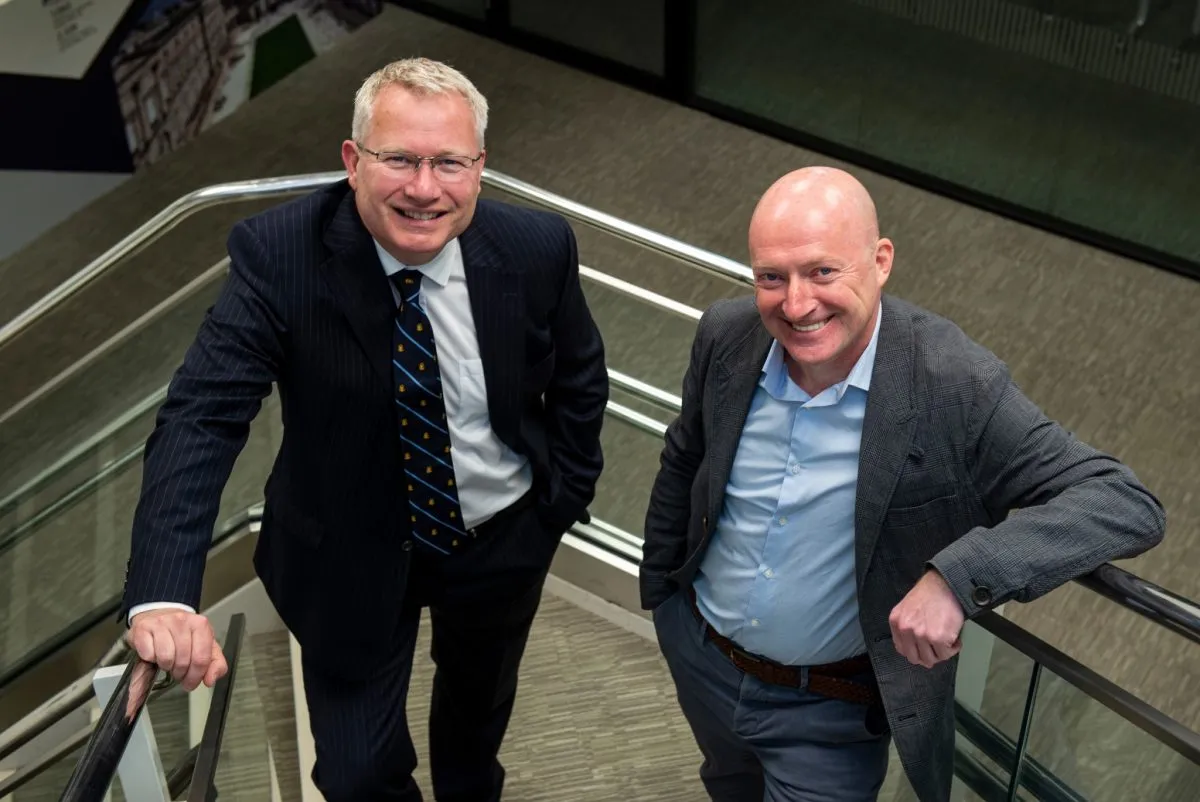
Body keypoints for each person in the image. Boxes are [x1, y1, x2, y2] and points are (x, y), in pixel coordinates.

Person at [121, 57, 609, 802]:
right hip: (348, 548)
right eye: (400, 159)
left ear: (480, 168)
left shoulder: (537, 246)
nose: (424, 187)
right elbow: (203, 415)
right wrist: (163, 594)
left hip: (501, 535)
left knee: (476, 722)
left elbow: (580, 374)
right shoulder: (280, 257)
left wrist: (556, 504)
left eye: (449, 162)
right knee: (355, 777)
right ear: (353, 162)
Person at [641, 166, 1165, 802]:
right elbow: (685, 456)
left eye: (823, 272)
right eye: (771, 278)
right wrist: (666, 601)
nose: (797, 303)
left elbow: (1121, 500)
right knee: (728, 785)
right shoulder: (726, 333)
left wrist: (955, 577)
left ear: (881, 260)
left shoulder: (954, 383)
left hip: (829, 712)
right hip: (704, 659)